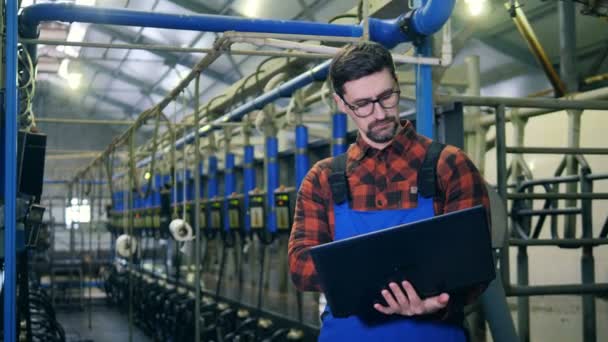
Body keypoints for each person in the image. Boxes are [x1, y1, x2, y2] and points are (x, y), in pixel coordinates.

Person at [287, 41, 490, 341]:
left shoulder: (449, 166)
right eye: (362, 104)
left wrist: (431, 303)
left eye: (386, 97)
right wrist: (388, 282)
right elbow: (300, 265)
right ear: (342, 104)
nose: (379, 113)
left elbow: (476, 265)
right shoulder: (323, 179)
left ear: (397, 85)